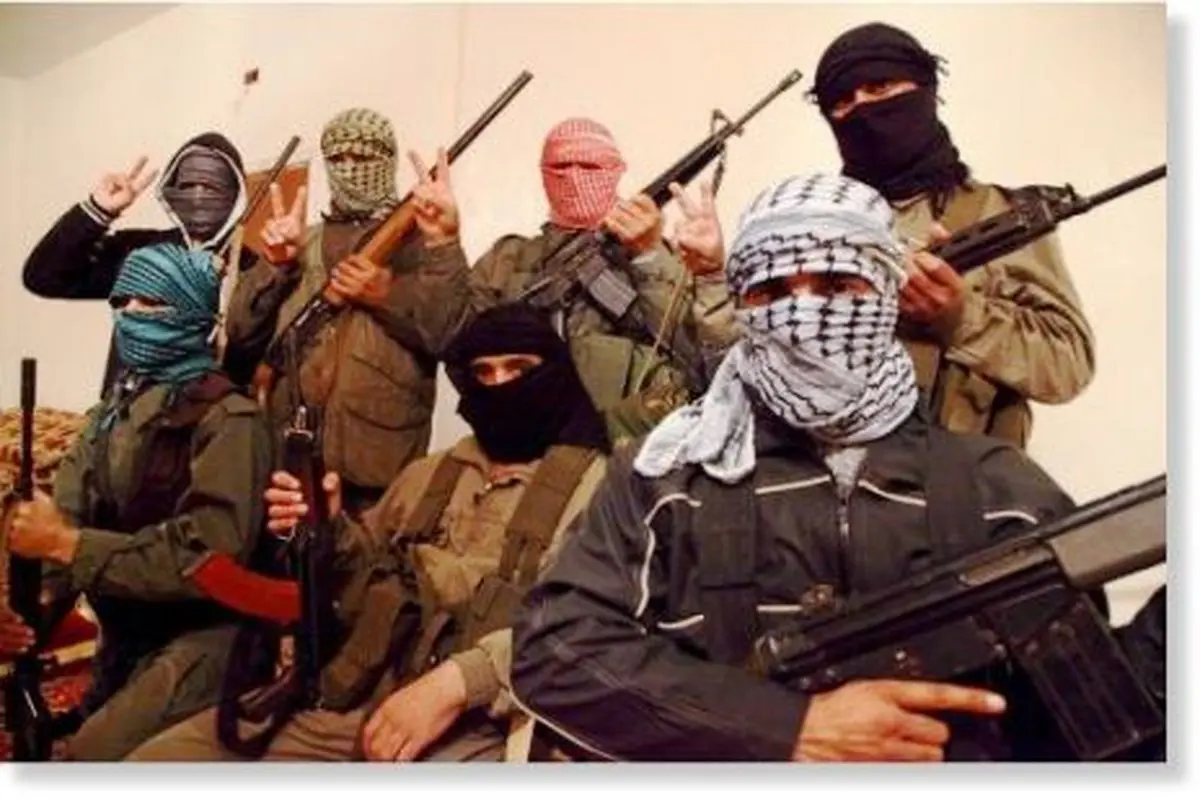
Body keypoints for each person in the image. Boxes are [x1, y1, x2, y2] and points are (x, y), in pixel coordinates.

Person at [509, 173, 1138, 761]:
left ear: (889, 294)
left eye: (838, 285)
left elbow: (1075, 715)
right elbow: (555, 652)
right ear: (742, 306)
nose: (803, 314)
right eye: (772, 292)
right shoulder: (668, 477)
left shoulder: (1000, 488)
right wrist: (787, 729)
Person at [127, 302, 610, 762]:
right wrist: (327, 528)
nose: (499, 385)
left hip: (484, 725)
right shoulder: (431, 473)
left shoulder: (598, 490)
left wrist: (462, 682)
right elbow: (364, 576)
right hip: (355, 696)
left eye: (519, 368)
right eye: (483, 372)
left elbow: (595, 630)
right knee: (161, 761)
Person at [2, 242, 272, 760]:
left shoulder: (231, 420)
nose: (129, 314)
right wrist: (30, 613)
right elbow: (65, 515)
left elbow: (210, 558)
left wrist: (66, 544)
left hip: (209, 633)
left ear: (191, 312)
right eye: (122, 302)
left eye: (149, 303)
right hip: (129, 627)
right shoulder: (111, 414)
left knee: (93, 754)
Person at [807, 21, 1096, 447]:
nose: (862, 108)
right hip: (829, 473)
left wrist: (959, 318)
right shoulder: (817, 227)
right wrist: (711, 275)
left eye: (880, 86)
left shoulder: (1003, 217)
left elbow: (1067, 364)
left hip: (961, 478)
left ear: (925, 88)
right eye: (842, 101)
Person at [406, 117, 737, 445]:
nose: (574, 176)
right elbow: (449, 343)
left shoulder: (670, 258)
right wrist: (442, 244)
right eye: (561, 166)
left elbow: (706, 363)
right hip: (522, 448)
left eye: (590, 166)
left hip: (628, 447)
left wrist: (648, 257)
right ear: (543, 173)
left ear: (617, 171)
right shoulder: (508, 259)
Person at [226, 108, 469, 516]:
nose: (351, 167)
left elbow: (451, 336)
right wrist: (275, 266)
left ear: (388, 158)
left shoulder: (424, 245)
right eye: (338, 158)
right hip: (289, 463)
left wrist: (388, 293)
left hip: (381, 472)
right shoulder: (302, 242)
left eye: (364, 156)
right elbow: (240, 332)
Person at [22, 133, 255, 393]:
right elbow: (43, 277)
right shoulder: (140, 251)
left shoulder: (253, 269)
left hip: (213, 411)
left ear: (235, 194)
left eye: (211, 187)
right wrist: (98, 210)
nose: (198, 195)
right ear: (171, 189)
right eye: (187, 185)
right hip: (128, 408)